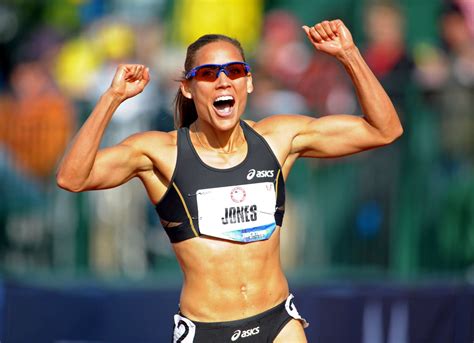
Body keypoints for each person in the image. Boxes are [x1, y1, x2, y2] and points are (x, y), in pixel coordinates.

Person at [57, 19, 403, 343]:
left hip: (278, 323)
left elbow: (384, 129)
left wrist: (349, 54)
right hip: (208, 330)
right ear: (189, 88)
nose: (224, 81)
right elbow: (73, 177)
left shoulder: (278, 138)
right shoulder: (160, 153)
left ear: (248, 83)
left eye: (235, 71)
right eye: (208, 73)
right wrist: (111, 98)